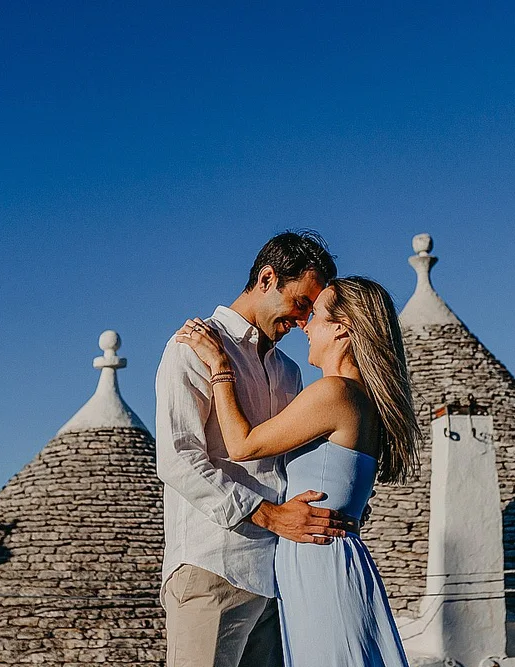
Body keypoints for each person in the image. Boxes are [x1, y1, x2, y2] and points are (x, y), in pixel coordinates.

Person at [176, 276, 420, 667]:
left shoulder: (334, 392)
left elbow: (242, 445)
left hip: (318, 562)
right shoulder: (360, 399)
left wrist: (221, 366)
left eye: (316, 314)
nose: (304, 325)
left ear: (343, 328)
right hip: (320, 558)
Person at [156, 231, 350, 667]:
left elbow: (289, 465)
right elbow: (178, 460)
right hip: (213, 568)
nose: (304, 321)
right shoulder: (190, 349)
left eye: (311, 311)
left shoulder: (290, 371)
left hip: (277, 577)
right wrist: (269, 515)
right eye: (301, 303)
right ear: (267, 278)